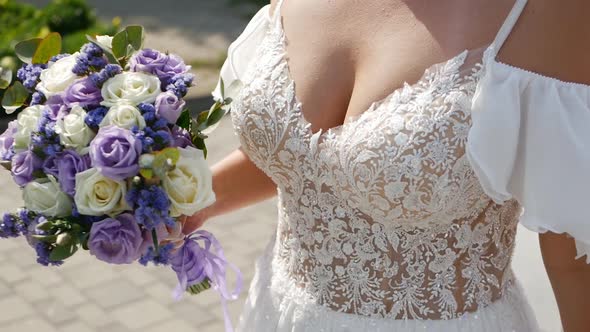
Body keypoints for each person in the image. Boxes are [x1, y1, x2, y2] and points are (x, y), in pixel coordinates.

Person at [185, 0, 590, 330]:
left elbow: (573, 253)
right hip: (279, 313)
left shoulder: (547, 12)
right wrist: (187, 200)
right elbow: (298, 162)